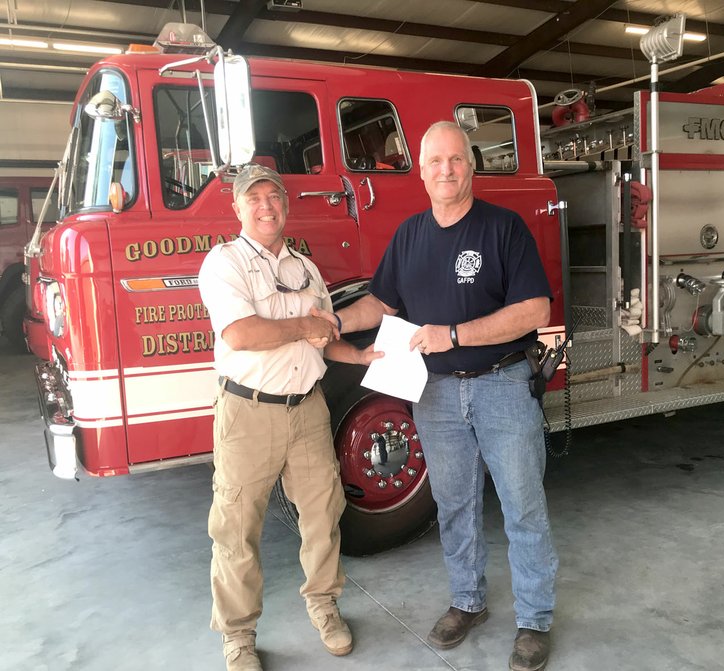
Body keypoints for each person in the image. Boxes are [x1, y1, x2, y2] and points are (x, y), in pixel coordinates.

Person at [323, 121, 558, 671]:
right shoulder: (409, 236)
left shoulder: (504, 229)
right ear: (421, 171)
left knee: (523, 507)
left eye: (456, 160)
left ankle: (534, 619)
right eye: (435, 162)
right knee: (454, 505)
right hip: (436, 396)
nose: (446, 170)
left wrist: (453, 335)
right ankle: (467, 601)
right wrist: (334, 320)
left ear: (470, 166)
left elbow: (534, 311)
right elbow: (379, 304)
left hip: (503, 384)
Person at [198, 164, 381, 671]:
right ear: (237, 208)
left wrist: (359, 357)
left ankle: (324, 606)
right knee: (236, 529)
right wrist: (305, 324)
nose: (265, 205)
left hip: (307, 409)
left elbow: (321, 338)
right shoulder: (224, 263)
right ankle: (238, 636)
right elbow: (241, 333)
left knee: (323, 516)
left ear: (285, 204)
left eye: (273, 196)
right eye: (253, 198)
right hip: (248, 412)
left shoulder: (305, 268)